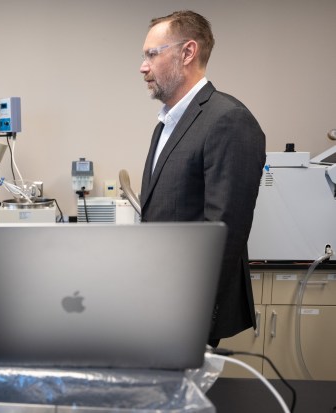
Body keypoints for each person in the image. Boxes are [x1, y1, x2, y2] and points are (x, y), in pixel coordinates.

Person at [138, 11, 266, 347]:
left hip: (191, 310)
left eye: (152, 54)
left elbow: (224, 231)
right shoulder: (166, 124)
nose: (143, 66)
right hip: (162, 301)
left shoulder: (228, 120)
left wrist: (197, 320)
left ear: (187, 52)